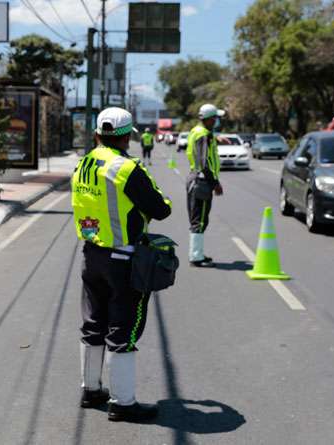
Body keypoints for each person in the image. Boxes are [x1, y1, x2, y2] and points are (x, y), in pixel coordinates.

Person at [71, 107, 172, 422]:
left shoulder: (83, 164)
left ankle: (91, 390)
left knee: (93, 324)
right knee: (123, 329)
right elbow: (161, 209)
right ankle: (123, 403)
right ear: (127, 137)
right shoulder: (127, 168)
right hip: (123, 259)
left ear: (96, 135)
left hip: (91, 254)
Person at [186, 103, 228, 268]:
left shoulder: (197, 131)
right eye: (215, 118)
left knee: (198, 219)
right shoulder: (204, 135)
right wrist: (215, 183)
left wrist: (216, 138)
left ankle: (197, 254)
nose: (217, 121)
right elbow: (203, 163)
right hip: (202, 181)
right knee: (200, 221)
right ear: (210, 119)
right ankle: (196, 257)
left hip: (196, 179)